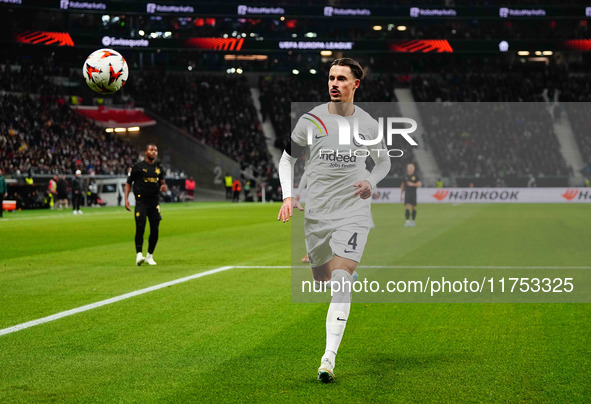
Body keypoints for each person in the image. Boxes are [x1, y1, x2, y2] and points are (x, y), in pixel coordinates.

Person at [277, 58, 391, 383]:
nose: (334, 83)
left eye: (341, 78)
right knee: (321, 280)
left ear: (356, 84)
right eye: (331, 78)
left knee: (341, 279)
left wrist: (371, 181)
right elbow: (287, 159)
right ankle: (328, 264)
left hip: (353, 211)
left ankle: (328, 358)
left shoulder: (367, 125)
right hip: (317, 213)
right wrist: (288, 196)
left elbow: (382, 163)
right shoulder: (310, 121)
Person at [125, 144, 167, 266]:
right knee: (140, 226)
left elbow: (162, 184)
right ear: (146, 152)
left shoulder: (159, 168)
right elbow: (128, 183)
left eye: (156, 150)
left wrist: (164, 187)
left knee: (155, 229)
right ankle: (139, 254)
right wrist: (126, 200)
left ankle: (149, 255)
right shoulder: (137, 167)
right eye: (151, 150)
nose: (154, 152)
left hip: (154, 202)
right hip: (141, 201)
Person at [400, 163, 421, 227]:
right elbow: (402, 185)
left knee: (414, 208)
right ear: (407, 169)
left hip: (413, 194)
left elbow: (419, 184)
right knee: (407, 207)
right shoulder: (405, 176)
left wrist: (413, 184)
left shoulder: (416, 176)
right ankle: (407, 221)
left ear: (414, 169)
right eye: (409, 167)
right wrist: (401, 194)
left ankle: (413, 221)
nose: (410, 169)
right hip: (407, 194)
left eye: (412, 167)